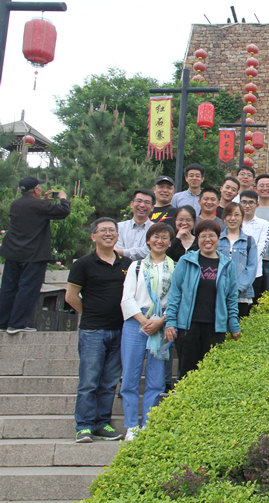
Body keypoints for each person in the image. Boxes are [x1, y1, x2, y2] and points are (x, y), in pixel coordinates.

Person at [65, 217, 132, 443]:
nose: (108, 234)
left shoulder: (127, 264)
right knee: (89, 381)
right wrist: (92, 312)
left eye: (112, 230)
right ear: (93, 236)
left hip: (120, 330)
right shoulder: (83, 264)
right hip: (93, 331)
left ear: (117, 235)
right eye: (103, 230)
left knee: (109, 382)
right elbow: (71, 296)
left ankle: (102, 423)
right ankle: (84, 426)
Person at [119, 223, 174, 441]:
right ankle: (132, 425)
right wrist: (144, 321)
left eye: (164, 238)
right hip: (136, 321)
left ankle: (148, 423)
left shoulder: (175, 267)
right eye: (156, 237)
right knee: (130, 376)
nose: (160, 241)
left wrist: (160, 321)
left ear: (170, 243)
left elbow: (175, 298)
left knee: (156, 378)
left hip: (162, 321)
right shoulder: (136, 266)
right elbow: (127, 298)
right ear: (148, 240)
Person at [164, 220, 241, 378]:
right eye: (203, 236)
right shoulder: (186, 261)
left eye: (212, 235)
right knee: (186, 373)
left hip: (215, 328)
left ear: (218, 238)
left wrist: (233, 324)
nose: (208, 239)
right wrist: (170, 321)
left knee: (210, 374)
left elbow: (231, 298)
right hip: (188, 327)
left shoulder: (227, 265)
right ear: (197, 239)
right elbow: (175, 293)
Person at [0, 176, 70, 333]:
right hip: (34, 254)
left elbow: (33, 212)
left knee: (8, 288)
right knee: (28, 289)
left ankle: (3, 322)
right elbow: (64, 211)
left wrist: (44, 201)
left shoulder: (16, 203)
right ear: (36, 189)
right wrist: (63, 198)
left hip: (13, 252)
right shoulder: (40, 205)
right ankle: (16, 324)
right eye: (40, 187)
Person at [218, 202, 258, 319]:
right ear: (224, 217)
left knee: (238, 325)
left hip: (242, 294)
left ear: (242, 217)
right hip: (218, 292)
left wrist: (238, 288)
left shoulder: (249, 241)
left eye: (236, 215)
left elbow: (251, 267)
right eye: (229, 215)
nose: (232, 218)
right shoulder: (217, 239)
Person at [238, 191, 269, 300]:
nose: (247, 205)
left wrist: (248, 265)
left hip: (255, 273)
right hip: (235, 271)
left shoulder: (264, 224)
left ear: (257, 205)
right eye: (244, 202)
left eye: (251, 202)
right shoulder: (234, 223)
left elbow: (262, 248)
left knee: (252, 304)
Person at [115, 189, 155, 261]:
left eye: (147, 202)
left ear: (152, 207)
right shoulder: (119, 227)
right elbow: (116, 250)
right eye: (139, 201)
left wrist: (122, 252)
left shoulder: (156, 229)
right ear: (132, 204)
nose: (142, 205)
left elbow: (148, 251)